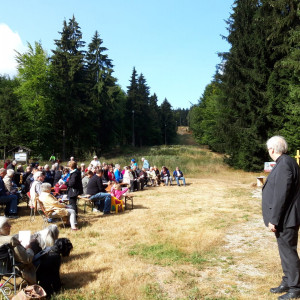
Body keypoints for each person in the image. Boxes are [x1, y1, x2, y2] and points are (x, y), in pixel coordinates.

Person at [262, 136, 300, 300]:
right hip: (287, 217)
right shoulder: (287, 161)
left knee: (288, 252)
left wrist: (274, 219)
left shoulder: (284, 164)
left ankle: (295, 287)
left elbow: (281, 195)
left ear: (272, 149)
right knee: (285, 252)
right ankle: (287, 280)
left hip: (286, 218)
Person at [0, 216, 36, 284]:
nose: (10, 226)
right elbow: (27, 260)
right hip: (13, 269)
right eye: (6, 225)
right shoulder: (11, 240)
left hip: (1, 270)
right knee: (41, 258)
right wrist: (29, 249)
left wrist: (17, 245)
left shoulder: (9, 241)